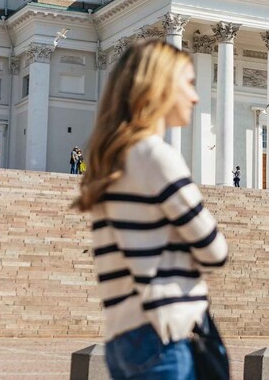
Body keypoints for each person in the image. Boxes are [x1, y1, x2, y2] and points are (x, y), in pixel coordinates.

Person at [76, 39, 229, 379]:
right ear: (159, 87)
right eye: (188, 83)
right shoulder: (156, 157)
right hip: (165, 333)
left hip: (125, 336)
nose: (196, 96)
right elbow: (215, 250)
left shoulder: (111, 162)